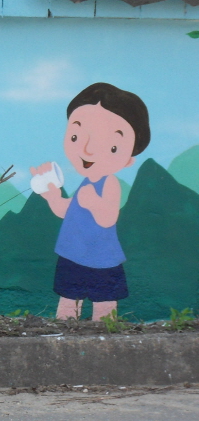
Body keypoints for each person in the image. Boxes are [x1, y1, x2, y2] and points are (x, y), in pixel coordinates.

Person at [31, 82, 150, 322]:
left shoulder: (109, 183)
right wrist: (53, 197)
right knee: (68, 300)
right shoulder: (86, 183)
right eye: (76, 136)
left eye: (112, 146)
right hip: (72, 253)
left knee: (104, 302)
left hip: (101, 259)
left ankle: (105, 332)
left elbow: (108, 218)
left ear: (128, 160)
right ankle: (65, 329)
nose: (87, 150)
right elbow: (69, 210)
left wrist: (94, 202)